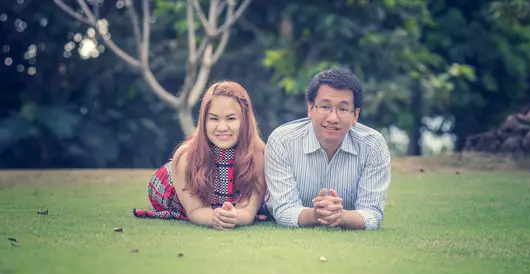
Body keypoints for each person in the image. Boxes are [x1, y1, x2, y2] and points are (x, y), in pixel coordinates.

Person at [264, 67, 391, 230]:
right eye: (325, 107)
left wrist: (342, 216)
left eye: (343, 109)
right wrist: (315, 215)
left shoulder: (373, 145)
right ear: (310, 108)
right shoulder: (282, 141)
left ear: (355, 115)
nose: (333, 118)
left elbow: (372, 213)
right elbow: (284, 210)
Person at [132, 81, 268, 230]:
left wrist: (235, 217)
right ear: (203, 120)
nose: (222, 127)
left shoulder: (259, 155)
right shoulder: (185, 156)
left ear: (245, 121)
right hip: (175, 190)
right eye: (214, 118)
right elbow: (195, 210)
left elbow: (248, 211)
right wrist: (213, 218)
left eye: (231, 118)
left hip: (227, 200)